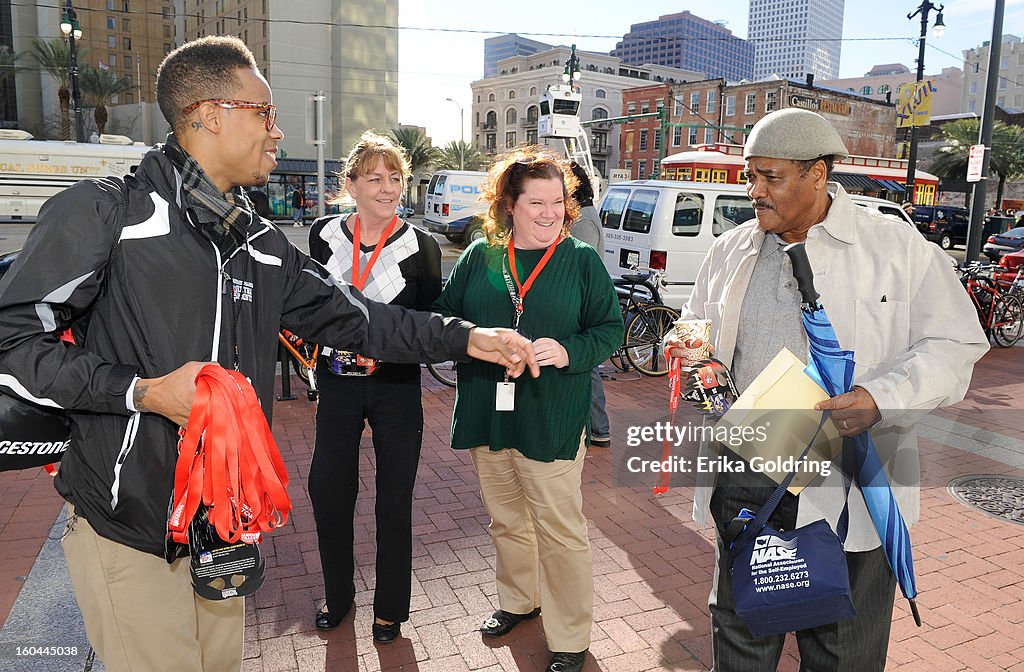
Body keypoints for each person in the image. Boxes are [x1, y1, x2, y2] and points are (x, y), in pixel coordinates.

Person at [0, 36, 537, 672]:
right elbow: (13, 342)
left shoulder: (257, 239)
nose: (277, 132)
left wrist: (467, 337)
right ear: (208, 114)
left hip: (223, 526)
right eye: (265, 112)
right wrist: (140, 391)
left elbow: (359, 319)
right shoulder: (105, 213)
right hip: (129, 529)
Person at [663, 108, 988, 671]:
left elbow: (956, 344)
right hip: (748, 479)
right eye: (750, 175)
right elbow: (693, 325)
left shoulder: (895, 249)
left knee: (842, 654)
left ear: (818, 173)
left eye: (771, 177)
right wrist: (695, 357)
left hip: (849, 488)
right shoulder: (730, 249)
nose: (754, 190)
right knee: (740, 643)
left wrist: (880, 398)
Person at [433, 148, 623, 672]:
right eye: (535, 202)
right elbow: (442, 321)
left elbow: (610, 329)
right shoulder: (479, 258)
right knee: (506, 520)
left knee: (560, 529)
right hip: (488, 413)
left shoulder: (581, 260)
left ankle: (569, 636)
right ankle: (520, 600)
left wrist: (568, 351)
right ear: (508, 206)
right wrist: (478, 340)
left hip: (552, 416)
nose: (549, 213)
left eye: (558, 202)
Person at [306, 131, 440, 642]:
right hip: (337, 383)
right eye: (375, 179)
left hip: (396, 387)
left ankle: (390, 609)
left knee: (394, 500)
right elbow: (310, 305)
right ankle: (337, 598)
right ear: (352, 185)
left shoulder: (422, 246)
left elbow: (428, 321)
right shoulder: (323, 235)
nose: (388, 189)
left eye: (395, 178)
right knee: (329, 492)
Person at [566, 161, 611, 448]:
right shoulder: (583, 217)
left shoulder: (583, 221)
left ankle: (599, 427)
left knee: (588, 367)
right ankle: (596, 426)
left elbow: (576, 269)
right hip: (582, 302)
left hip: (583, 304)